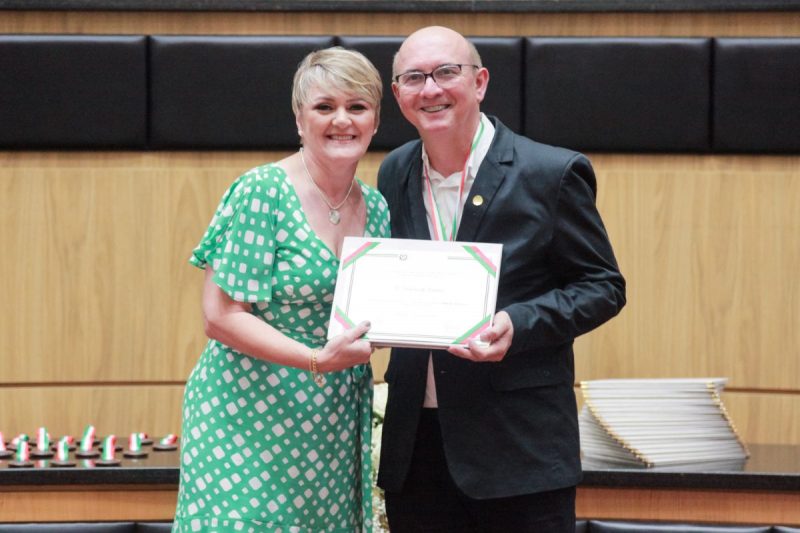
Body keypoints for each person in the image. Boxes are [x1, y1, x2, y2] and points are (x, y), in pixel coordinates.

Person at [376, 26, 626, 532]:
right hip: (418, 449)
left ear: (481, 81)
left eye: (447, 72)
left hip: (520, 456)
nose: (431, 89)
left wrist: (520, 322)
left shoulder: (550, 172)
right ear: (398, 92)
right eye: (414, 78)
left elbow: (603, 285)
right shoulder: (394, 170)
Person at [173, 47, 389, 532]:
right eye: (324, 107)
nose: (342, 120)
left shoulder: (376, 208)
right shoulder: (263, 192)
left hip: (329, 422)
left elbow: (375, 311)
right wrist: (315, 359)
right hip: (245, 415)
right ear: (299, 119)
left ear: (375, 121)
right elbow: (221, 316)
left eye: (357, 107)